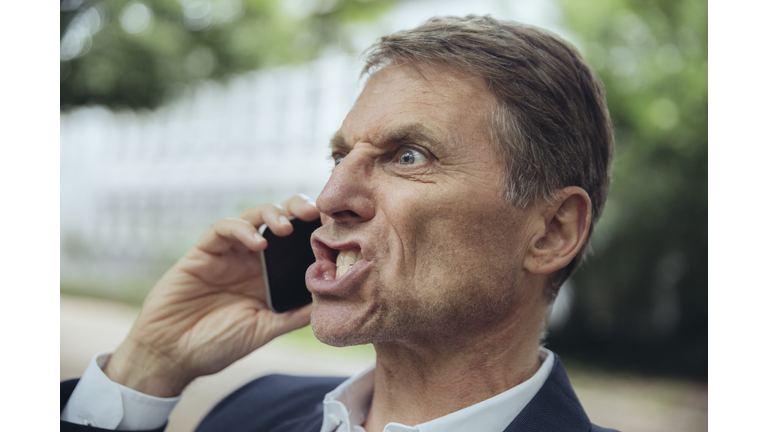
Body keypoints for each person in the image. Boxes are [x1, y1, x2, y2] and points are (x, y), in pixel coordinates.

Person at [61, 15, 617, 432]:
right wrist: (145, 368)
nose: (331, 198)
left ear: (552, 232)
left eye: (409, 156)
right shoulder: (252, 411)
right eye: (339, 157)